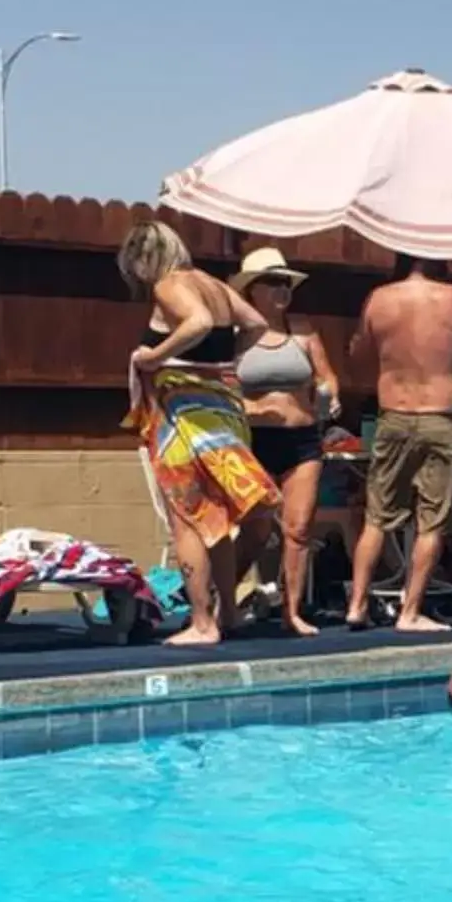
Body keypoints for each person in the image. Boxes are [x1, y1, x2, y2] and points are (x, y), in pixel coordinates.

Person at [120, 220, 277, 652]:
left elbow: (199, 321)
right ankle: (227, 612)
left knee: (186, 516)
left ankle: (203, 622)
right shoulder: (212, 282)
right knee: (216, 519)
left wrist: (154, 356)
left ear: (144, 258)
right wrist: (222, 363)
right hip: (224, 409)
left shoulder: (169, 285)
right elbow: (257, 324)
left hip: (186, 417)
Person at [343, 259, 452, 633]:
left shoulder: (379, 299)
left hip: (393, 415)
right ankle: (410, 612)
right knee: (431, 521)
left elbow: (358, 356)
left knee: (377, 516)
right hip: (439, 417)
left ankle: (357, 605)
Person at [230, 247, 339, 637]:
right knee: (257, 529)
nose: (282, 289)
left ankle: (292, 612)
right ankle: (222, 600)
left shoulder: (304, 329)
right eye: (273, 282)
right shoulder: (237, 337)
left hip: (303, 438)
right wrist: (254, 410)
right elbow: (220, 390)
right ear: (253, 290)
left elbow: (327, 376)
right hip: (254, 441)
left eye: (286, 282)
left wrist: (330, 392)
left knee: (298, 528)